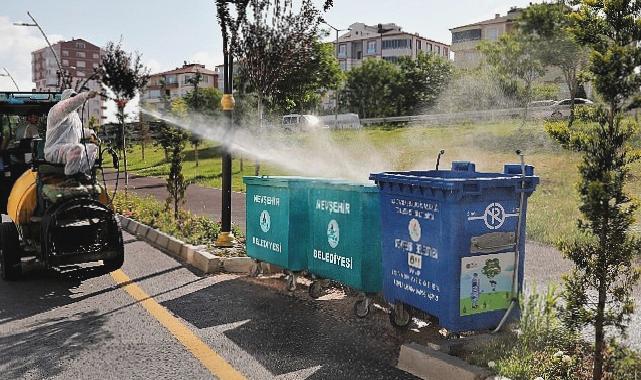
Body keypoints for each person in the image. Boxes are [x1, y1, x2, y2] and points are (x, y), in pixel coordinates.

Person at [45, 89, 98, 176]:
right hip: (55, 150)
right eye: (72, 98)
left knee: (92, 148)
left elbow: (79, 131)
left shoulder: (75, 116)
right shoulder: (57, 110)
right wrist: (85, 95)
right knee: (77, 148)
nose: (74, 99)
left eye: (75, 97)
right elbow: (70, 104)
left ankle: (83, 174)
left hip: (70, 149)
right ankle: (71, 177)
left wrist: (91, 133)